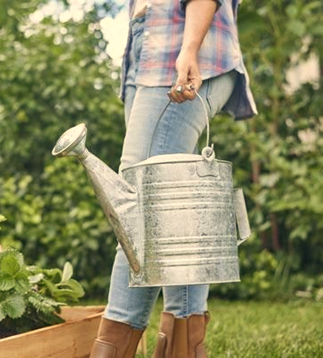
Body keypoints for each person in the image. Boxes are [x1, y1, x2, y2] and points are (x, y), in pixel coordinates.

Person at [89, 0, 257, 357]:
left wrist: (189, 49)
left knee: (139, 205)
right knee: (174, 214)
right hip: (148, 56)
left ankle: (112, 349)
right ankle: (183, 347)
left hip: (184, 53)